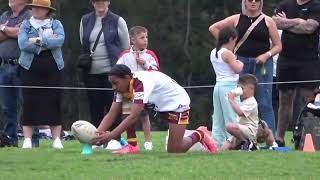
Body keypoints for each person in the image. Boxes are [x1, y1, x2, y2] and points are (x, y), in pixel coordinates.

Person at [91, 64, 217, 154]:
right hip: (160, 105)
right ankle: (132, 146)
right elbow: (111, 114)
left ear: (126, 78)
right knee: (129, 107)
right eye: (111, 83)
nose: (113, 87)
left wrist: (111, 135)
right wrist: (94, 136)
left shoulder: (140, 83)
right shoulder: (122, 86)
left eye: (115, 83)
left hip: (177, 103)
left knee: (175, 150)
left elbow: (133, 116)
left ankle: (201, 134)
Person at [209, 0, 282, 134]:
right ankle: (239, 137)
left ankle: (270, 139)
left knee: (265, 101)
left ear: (261, 2)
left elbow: (278, 45)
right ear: (245, 2)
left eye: (257, 0)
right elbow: (213, 28)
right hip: (240, 62)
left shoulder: (268, 21)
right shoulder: (237, 18)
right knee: (239, 99)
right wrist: (227, 46)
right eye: (250, 0)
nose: (253, 2)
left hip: (262, 63)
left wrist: (267, 54)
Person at [79, 0, 130, 140]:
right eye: (96, 1)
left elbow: (126, 48)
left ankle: (115, 139)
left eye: (102, 0)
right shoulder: (85, 20)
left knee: (113, 107)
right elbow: (83, 43)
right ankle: (96, 139)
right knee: (95, 108)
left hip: (112, 73)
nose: (99, 3)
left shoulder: (117, 21)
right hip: (91, 73)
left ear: (108, 2)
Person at [272, 0, 320, 146]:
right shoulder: (285, 5)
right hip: (286, 59)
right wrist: (298, 21)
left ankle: (309, 138)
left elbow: (309, 28)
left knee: (309, 99)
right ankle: (279, 139)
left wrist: (287, 22)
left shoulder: (316, 5)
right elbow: (276, 23)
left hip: (308, 60)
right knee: (285, 98)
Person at [18, 0, 65, 149]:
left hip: (53, 69)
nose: (37, 10)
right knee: (30, 102)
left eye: (40, 8)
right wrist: (46, 43)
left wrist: (38, 40)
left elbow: (59, 40)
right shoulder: (26, 24)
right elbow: (23, 44)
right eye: (34, 7)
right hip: (29, 69)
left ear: (47, 11)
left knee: (53, 101)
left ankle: (56, 139)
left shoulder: (56, 24)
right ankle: (27, 140)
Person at [113, 26, 159, 153]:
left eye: (146, 37)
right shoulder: (125, 55)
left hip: (145, 91)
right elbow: (117, 70)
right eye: (142, 37)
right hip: (129, 92)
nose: (145, 40)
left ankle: (148, 142)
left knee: (144, 115)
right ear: (133, 40)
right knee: (129, 116)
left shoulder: (150, 55)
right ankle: (131, 143)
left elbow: (156, 71)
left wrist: (145, 64)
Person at [0, 0, 31, 147]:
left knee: (26, 104)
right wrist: (10, 30)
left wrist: (4, 29)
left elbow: (22, 34)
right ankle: (10, 140)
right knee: (7, 107)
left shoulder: (29, 15)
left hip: (22, 66)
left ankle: (31, 139)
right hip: (4, 66)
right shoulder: (5, 15)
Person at [210, 26, 244, 148]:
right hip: (229, 87)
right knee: (232, 115)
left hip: (218, 86)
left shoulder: (214, 52)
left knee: (218, 118)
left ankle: (217, 143)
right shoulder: (228, 54)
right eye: (234, 41)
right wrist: (240, 63)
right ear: (230, 39)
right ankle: (234, 142)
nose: (234, 44)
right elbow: (236, 69)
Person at [220, 74, 259, 151]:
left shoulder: (252, 101)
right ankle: (245, 144)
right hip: (241, 131)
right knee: (223, 148)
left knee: (229, 126)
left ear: (251, 88)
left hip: (249, 130)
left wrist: (231, 99)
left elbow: (240, 113)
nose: (240, 91)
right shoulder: (244, 101)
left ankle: (247, 143)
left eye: (242, 88)